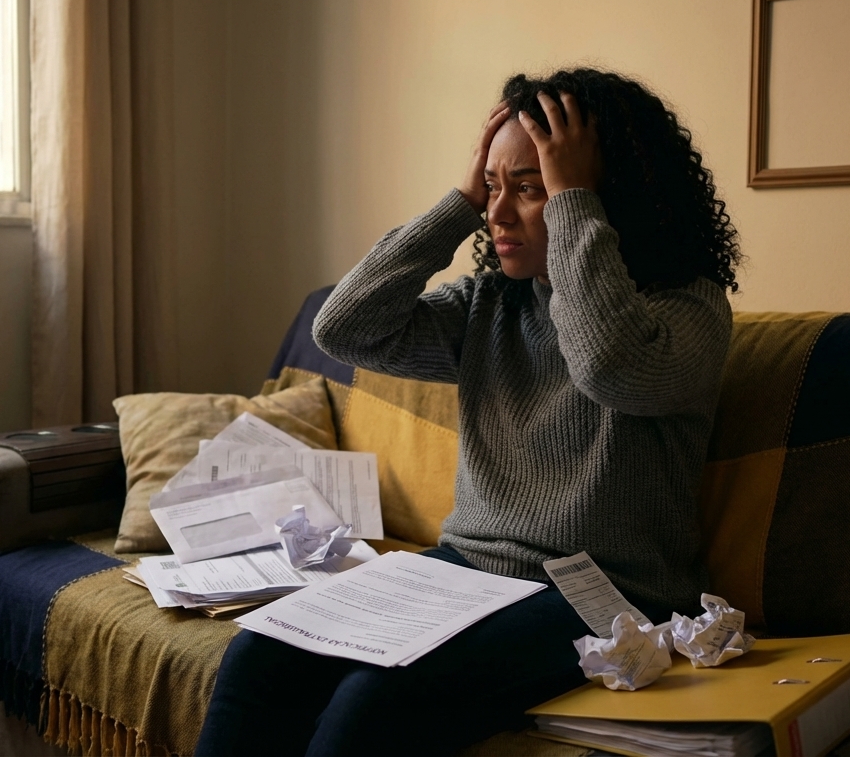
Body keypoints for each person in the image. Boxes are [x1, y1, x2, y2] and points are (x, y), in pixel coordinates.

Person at [195, 67, 742, 757]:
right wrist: (459, 200)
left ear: (605, 202)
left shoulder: (685, 308)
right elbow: (346, 329)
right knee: (257, 657)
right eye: (493, 187)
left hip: (606, 594)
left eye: (531, 188)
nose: (499, 214)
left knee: (375, 703)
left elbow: (612, 368)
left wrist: (570, 199)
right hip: (460, 570)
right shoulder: (491, 304)